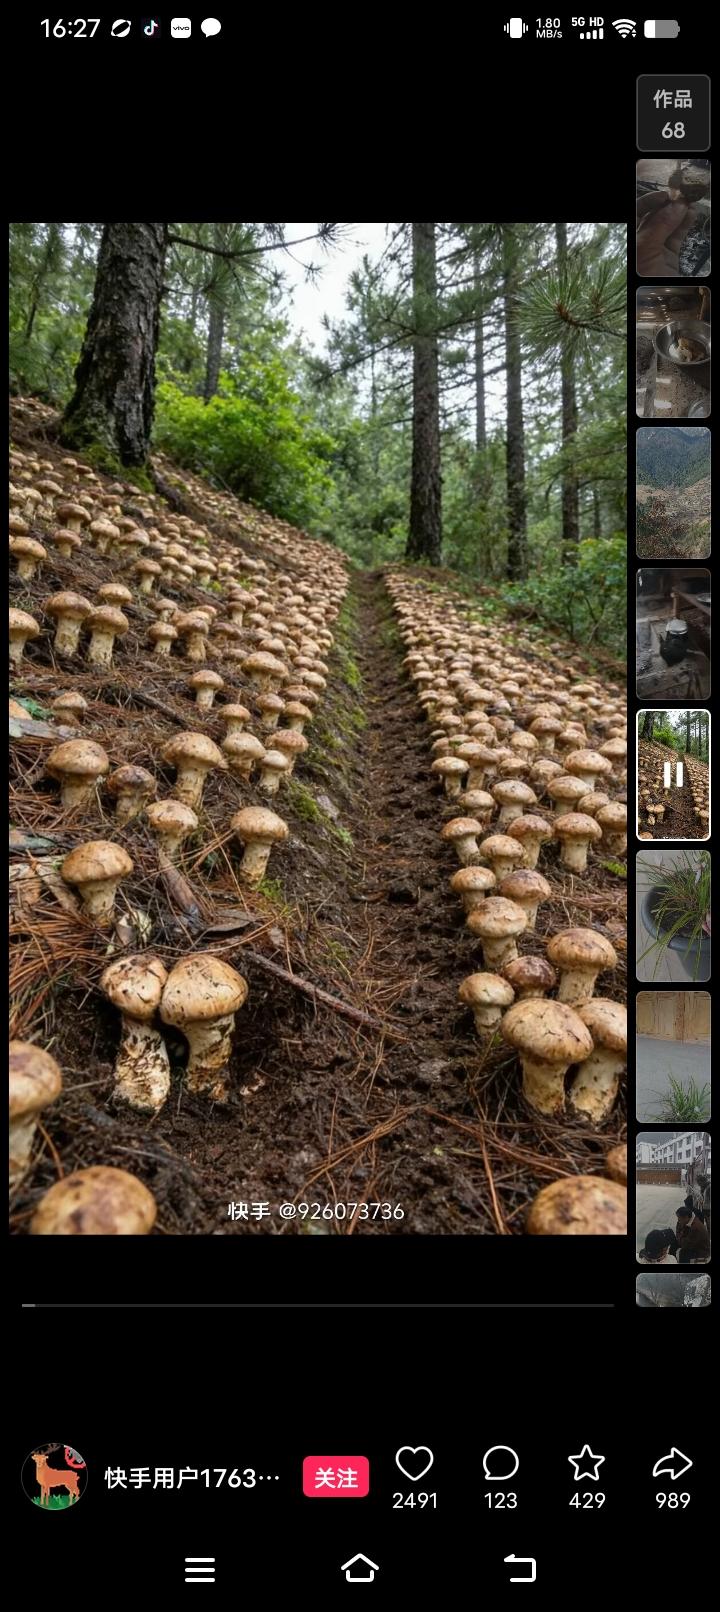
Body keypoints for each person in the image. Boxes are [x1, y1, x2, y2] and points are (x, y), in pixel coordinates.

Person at [696, 1174, 711, 1243]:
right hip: (705, 1208)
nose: (698, 1185)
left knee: (709, 1224)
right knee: (707, 1223)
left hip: (709, 1210)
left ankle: (709, 1238)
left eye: (699, 1183)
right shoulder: (704, 1187)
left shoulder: (709, 1187)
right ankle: (708, 1236)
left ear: (702, 1181)